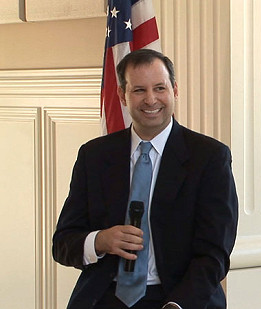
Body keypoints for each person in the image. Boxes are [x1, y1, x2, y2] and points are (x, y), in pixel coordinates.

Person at [53, 49, 238, 309]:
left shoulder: (209, 157)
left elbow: (214, 254)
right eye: (139, 90)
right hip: (104, 296)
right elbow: (62, 243)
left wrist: (177, 306)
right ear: (122, 95)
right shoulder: (94, 155)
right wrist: (100, 240)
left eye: (159, 88)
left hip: (179, 299)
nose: (151, 100)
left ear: (174, 90)